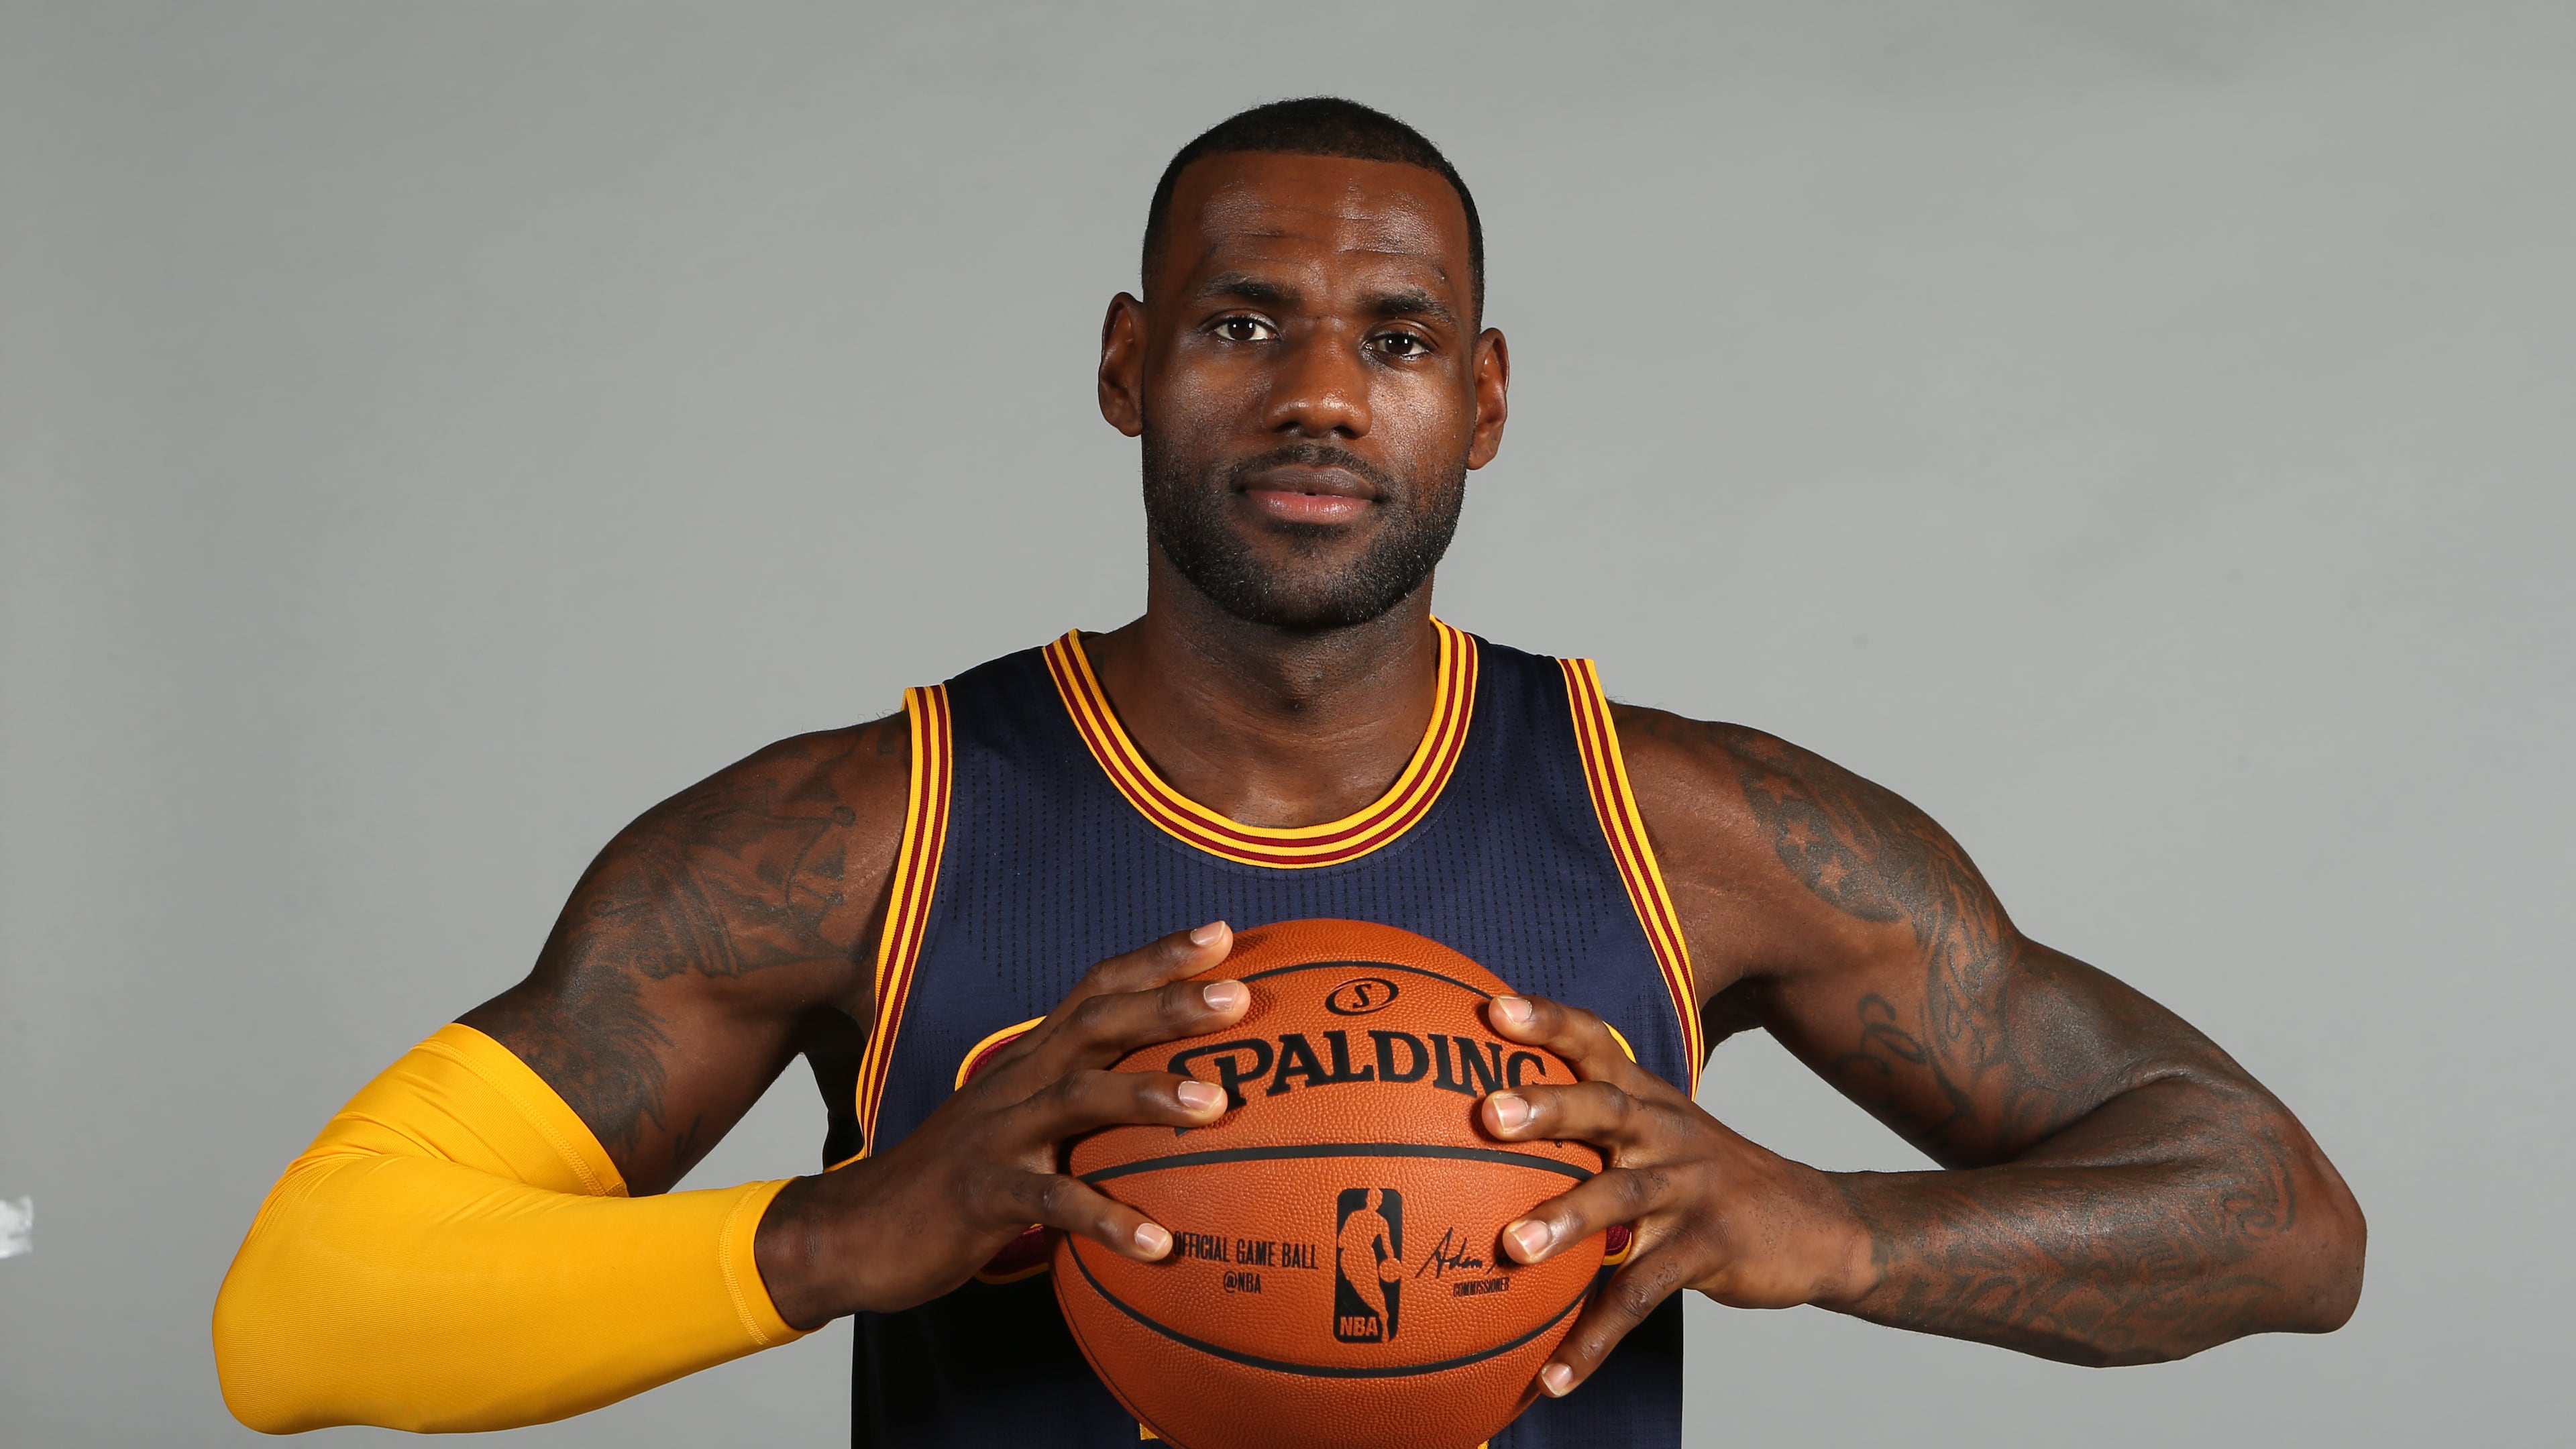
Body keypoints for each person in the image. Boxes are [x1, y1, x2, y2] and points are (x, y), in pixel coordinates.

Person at [211, 97, 2365, 1446]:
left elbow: (2280, 1219)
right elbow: (301, 1309)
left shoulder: (1689, 834)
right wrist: (835, 1235)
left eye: (1396, 338)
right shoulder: (864, 835)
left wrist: (1843, 1231)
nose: (1323, 393)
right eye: (1243, 323)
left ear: (1484, 400)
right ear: (1128, 364)